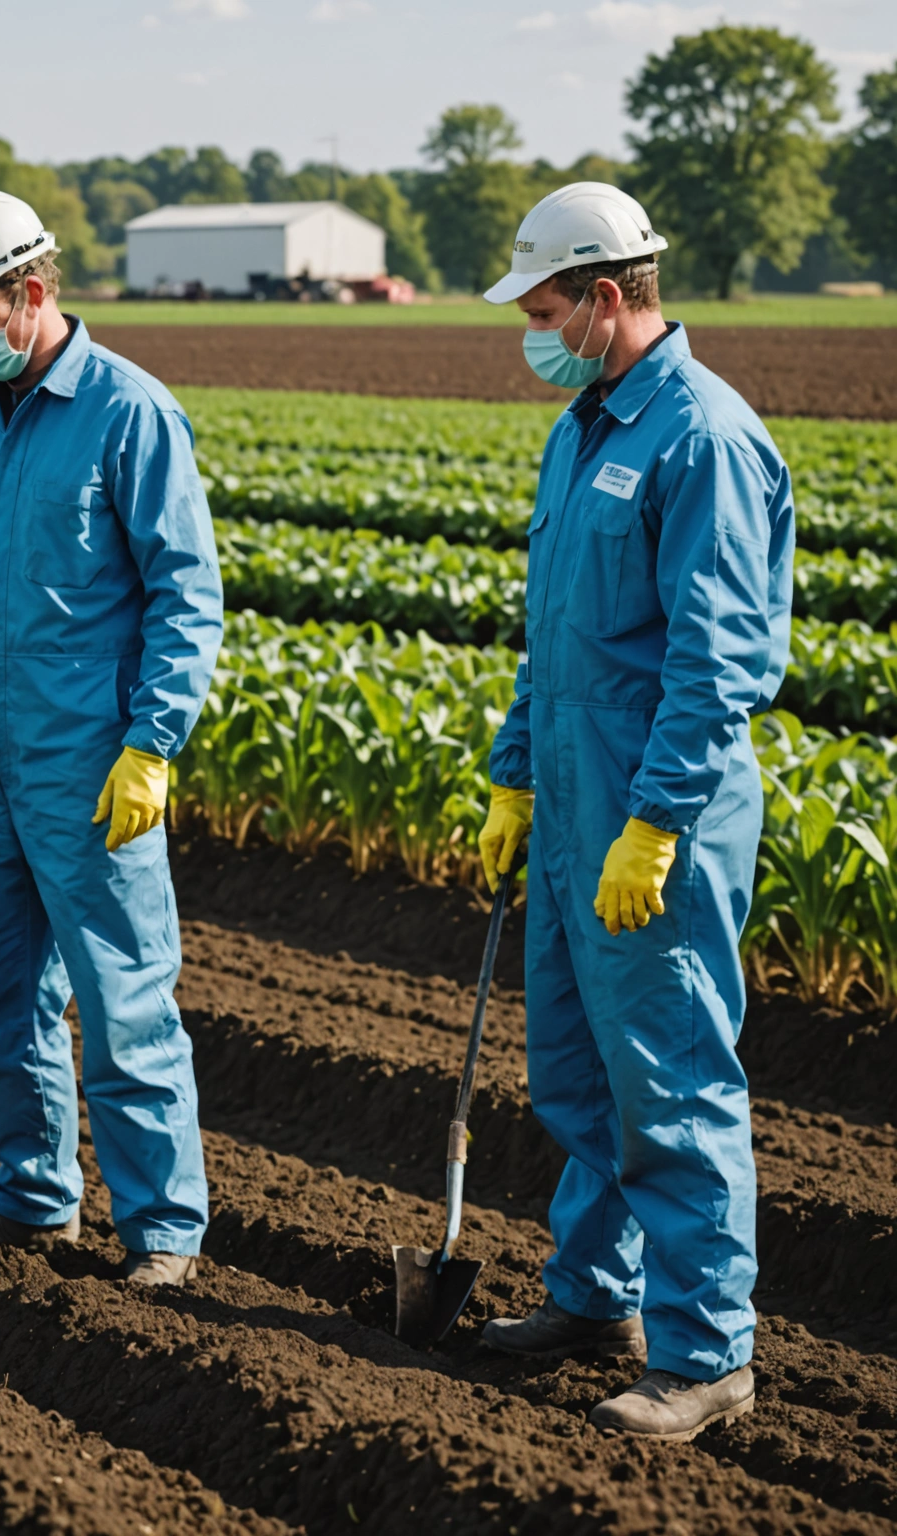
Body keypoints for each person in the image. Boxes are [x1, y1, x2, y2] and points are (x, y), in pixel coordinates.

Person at [473, 183, 794, 1438]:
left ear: (609, 300)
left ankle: (709, 1352)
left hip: (660, 822)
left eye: (547, 309)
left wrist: (654, 824)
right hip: (571, 807)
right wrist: (514, 771)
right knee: (576, 1075)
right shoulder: (586, 425)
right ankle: (594, 1298)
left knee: (669, 1079)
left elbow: (719, 667)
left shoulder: (702, 439)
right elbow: (553, 634)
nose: (534, 333)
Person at [0, 190, 224, 1286]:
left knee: (123, 995)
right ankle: (32, 1199)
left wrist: (153, 742)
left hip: (91, 757)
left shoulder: (130, 412)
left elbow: (185, 595)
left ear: (31, 293)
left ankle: (161, 1229)